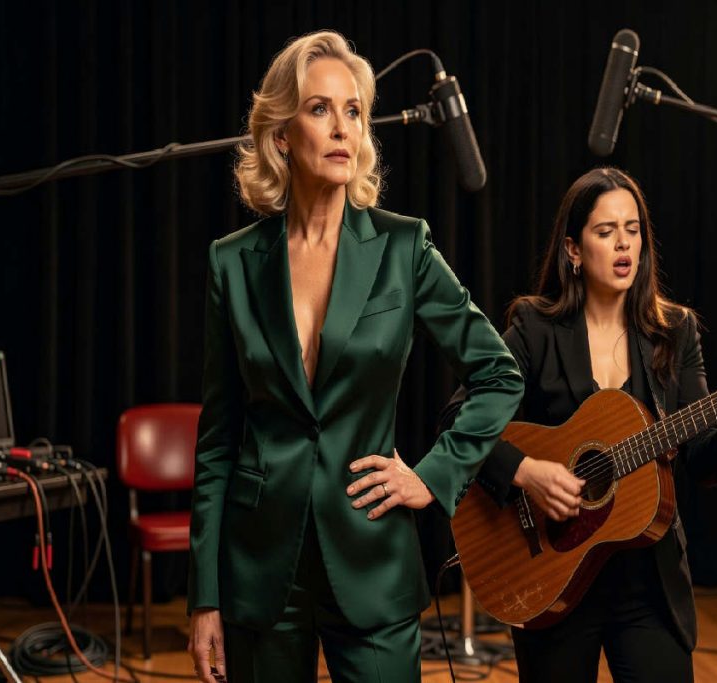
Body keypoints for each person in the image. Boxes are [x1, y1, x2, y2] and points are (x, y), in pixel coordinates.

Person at [186, 30, 523, 683]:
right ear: (281, 135)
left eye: (353, 110)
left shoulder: (405, 247)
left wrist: (433, 475)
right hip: (260, 566)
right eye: (320, 109)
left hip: (373, 556)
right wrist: (205, 595)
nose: (342, 127)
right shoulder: (231, 262)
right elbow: (218, 440)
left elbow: (498, 373)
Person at [441, 167, 717, 683]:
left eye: (633, 229)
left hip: (648, 583)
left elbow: (698, 459)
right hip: (549, 570)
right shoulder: (535, 328)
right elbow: (459, 417)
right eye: (606, 231)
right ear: (573, 250)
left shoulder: (675, 332)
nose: (624, 244)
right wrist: (527, 472)